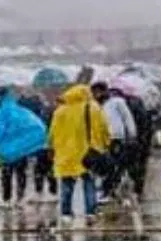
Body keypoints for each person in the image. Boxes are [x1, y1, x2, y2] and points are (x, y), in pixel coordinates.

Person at [48, 84, 111, 223]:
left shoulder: (60, 111)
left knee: (66, 184)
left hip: (66, 153)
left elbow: (52, 133)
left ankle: (66, 213)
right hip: (87, 152)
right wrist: (105, 144)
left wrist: (51, 148)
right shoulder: (93, 108)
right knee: (89, 182)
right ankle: (90, 211)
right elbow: (103, 128)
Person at [0, 88, 48, 209]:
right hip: (22, 149)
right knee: (20, 173)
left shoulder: (1, 112)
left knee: (7, 175)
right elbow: (37, 125)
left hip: (8, 150)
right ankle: (20, 198)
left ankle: (7, 199)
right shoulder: (20, 110)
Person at [91, 82, 137, 202]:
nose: (96, 94)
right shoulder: (95, 106)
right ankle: (108, 187)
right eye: (94, 92)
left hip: (116, 137)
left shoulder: (117, 102)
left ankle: (108, 189)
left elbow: (127, 118)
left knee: (114, 165)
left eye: (98, 91)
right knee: (104, 166)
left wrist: (132, 134)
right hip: (101, 140)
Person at [18, 92, 58, 201]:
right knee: (47, 168)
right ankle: (51, 191)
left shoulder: (34, 114)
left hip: (41, 144)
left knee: (40, 169)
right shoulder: (48, 111)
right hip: (46, 144)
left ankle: (41, 191)